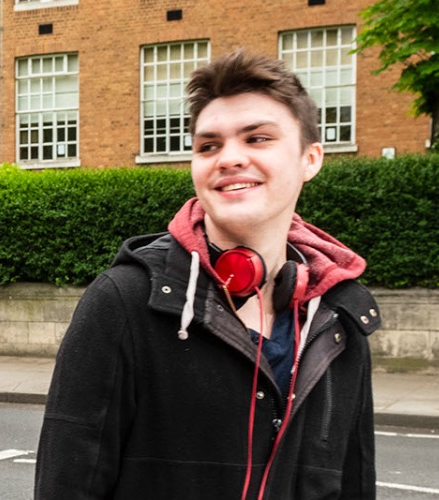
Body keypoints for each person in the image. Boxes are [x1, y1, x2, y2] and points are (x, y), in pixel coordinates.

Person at [34, 49, 380, 500]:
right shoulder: (124, 302)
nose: (229, 158)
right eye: (209, 145)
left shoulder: (339, 317)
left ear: (310, 159)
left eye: (257, 139)